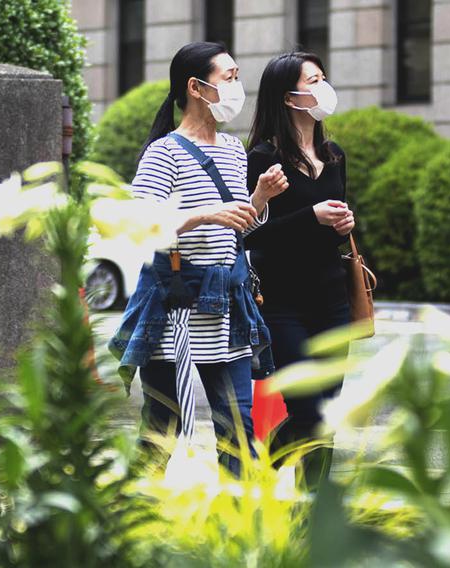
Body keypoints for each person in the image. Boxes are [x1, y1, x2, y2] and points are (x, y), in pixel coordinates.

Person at [109, 42, 289, 474]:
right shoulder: (164, 152)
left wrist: (259, 197)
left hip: (228, 309)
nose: (237, 86)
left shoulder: (230, 148)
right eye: (228, 77)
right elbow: (140, 225)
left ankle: (235, 531)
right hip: (176, 312)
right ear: (196, 87)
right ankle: (125, 520)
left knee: (239, 432)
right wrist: (205, 214)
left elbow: (236, 229)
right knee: (161, 431)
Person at [243, 52, 354, 487]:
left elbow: (338, 223)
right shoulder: (263, 159)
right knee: (307, 411)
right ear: (289, 97)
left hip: (332, 299)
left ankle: (315, 509)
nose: (324, 87)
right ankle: (258, 473)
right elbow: (251, 234)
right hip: (283, 303)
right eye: (314, 80)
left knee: (326, 415)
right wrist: (312, 216)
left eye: (324, 77)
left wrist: (345, 222)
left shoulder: (335, 154)